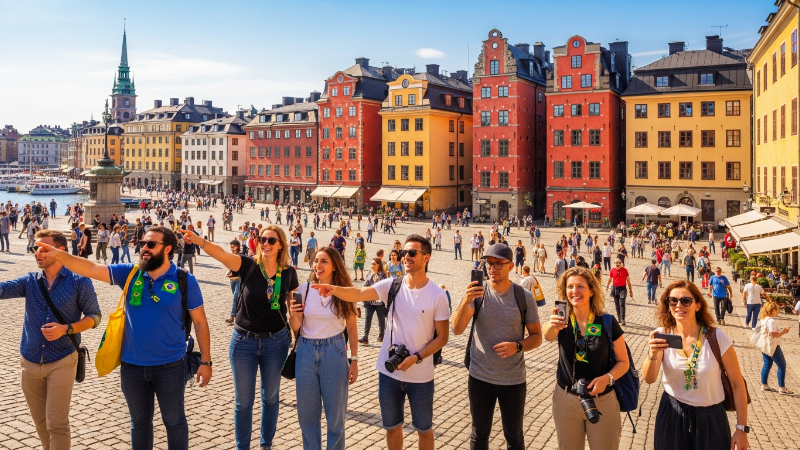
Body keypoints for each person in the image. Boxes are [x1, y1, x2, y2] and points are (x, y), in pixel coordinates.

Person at [36, 225, 212, 450]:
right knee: (139, 424)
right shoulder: (130, 273)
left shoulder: (184, 279)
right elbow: (90, 268)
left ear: (168, 248)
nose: (144, 248)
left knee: (174, 421)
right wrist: (58, 254)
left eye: (151, 244)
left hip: (170, 366)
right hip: (132, 367)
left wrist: (206, 361)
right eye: (142, 243)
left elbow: (200, 322)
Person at [312, 235, 449, 450]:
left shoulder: (437, 295)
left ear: (426, 257)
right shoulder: (392, 285)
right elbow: (359, 293)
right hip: (388, 372)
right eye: (404, 252)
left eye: (412, 252)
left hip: (421, 376)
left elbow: (442, 337)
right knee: (392, 427)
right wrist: (334, 289)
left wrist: (417, 357)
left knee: (424, 429)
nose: (406, 256)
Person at [181, 224, 296, 450]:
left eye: (271, 240)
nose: (265, 244)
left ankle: (266, 444)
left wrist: (301, 334)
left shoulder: (289, 273)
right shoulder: (248, 265)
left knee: (271, 397)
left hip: (276, 341)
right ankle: (242, 447)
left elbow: (294, 309)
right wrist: (198, 240)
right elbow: (221, 254)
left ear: (281, 245)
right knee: (243, 402)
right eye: (262, 239)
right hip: (244, 342)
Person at [0, 230, 101, 449]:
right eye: (35, 248)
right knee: (40, 421)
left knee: (56, 422)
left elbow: (95, 317)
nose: (38, 253)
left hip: (62, 359)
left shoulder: (79, 281)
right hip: (30, 360)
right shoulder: (30, 281)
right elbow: (2, 290)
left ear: (60, 250)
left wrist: (67, 329)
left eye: (43, 248)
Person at [452, 244, 542, 449]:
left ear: (510, 266)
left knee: (514, 436)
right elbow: (457, 329)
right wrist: (466, 300)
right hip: (480, 377)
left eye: (498, 264)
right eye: (489, 263)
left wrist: (517, 346)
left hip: (513, 380)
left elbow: (537, 337)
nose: (492, 268)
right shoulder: (477, 293)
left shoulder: (524, 297)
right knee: (479, 434)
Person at [642, 280, 749, 450]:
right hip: (672, 415)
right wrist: (653, 354)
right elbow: (648, 379)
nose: (679, 305)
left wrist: (741, 429)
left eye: (686, 300)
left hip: (710, 419)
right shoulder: (663, 335)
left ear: (698, 306)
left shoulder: (717, 338)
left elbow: (737, 384)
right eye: (673, 300)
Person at [542, 267, 629, 450]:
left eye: (580, 286)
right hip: (566, 400)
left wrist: (607, 378)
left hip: (602, 399)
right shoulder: (562, 320)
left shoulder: (606, 321)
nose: (575, 291)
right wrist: (552, 324)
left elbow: (624, 362)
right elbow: (548, 335)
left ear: (591, 291)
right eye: (570, 286)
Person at [289, 247, 359, 449]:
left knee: (335, 417)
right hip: (306, 351)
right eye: (316, 261)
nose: (318, 265)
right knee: (307, 416)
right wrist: (293, 314)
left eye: (324, 261)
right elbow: (296, 327)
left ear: (335, 265)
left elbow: (352, 327)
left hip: (334, 351)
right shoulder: (304, 289)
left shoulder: (344, 291)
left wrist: (354, 360)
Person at [759, 302, 792, 395]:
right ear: (773, 310)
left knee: (767, 363)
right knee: (782, 365)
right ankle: (782, 387)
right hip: (772, 345)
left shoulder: (763, 319)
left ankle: (764, 384)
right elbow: (773, 333)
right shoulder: (771, 321)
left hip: (764, 344)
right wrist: (783, 332)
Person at [360, 258, 388, 344]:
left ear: (378, 265)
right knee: (367, 318)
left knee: (381, 319)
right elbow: (365, 285)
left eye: (374, 264)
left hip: (379, 301)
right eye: (371, 264)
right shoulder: (369, 273)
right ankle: (365, 337)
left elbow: (384, 287)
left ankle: (381, 335)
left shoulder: (382, 275)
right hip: (369, 301)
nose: (372, 266)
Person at [606, 259, 633, 326]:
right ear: (615, 263)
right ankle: (619, 318)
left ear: (621, 263)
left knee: (622, 304)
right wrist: (607, 286)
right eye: (616, 263)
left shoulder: (625, 270)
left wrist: (630, 290)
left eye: (619, 263)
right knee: (617, 304)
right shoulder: (612, 270)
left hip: (622, 289)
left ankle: (623, 319)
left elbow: (628, 281)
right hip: (615, 288)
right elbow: (610, 279)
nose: (618, 264)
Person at [226, 240, 243, 325]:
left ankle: (232, 316)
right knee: (237, 298)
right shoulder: (232, 255)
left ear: (237, 246)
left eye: (233, 247)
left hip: (239, 280)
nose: (232, 249)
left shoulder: (241, 256)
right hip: (232, 280)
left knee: (235, 298)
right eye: (231, 247)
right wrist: (228, 272)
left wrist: (235, 273)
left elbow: (242, 269)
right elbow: (230, 267)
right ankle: (239, 314)